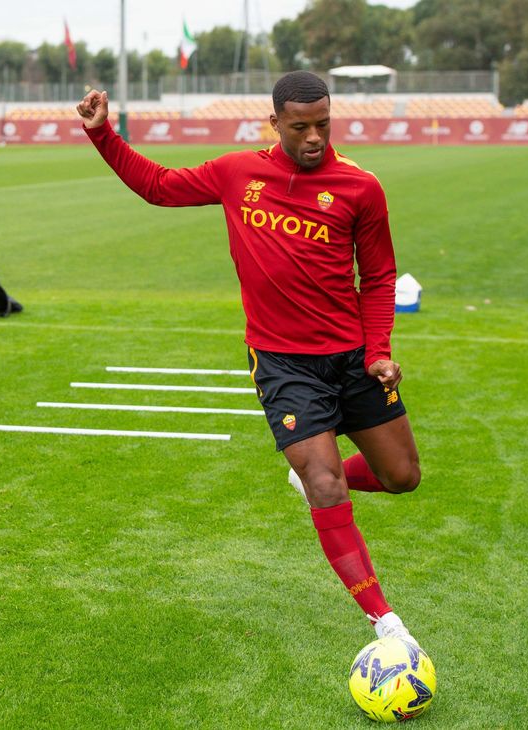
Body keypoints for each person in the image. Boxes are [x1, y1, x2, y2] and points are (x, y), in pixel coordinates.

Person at [76, 71, 423, 646]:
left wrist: (380, 352)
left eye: (323, 125)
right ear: (276, 123)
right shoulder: (239, 172)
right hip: (284, 363)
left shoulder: (362, 187)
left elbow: (381, 275)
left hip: (354, 358)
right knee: (327, 483)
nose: (314, 137)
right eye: (300, 127)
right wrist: (102, 134)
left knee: (402, 477)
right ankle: (386, 623)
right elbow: (159, 185)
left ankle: (311, 482)